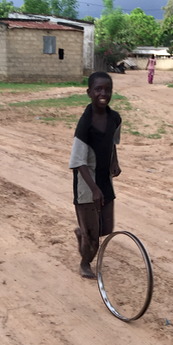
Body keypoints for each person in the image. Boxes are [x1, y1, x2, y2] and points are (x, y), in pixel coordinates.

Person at [69, 71, 122, 279]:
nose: (103, 93)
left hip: (104, 180)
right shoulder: (85, 125)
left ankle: (83, 233)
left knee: (105, 227)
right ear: (89, 92)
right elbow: (77, 162)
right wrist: (94, 189)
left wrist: (115, 161)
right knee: (93, 238)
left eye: (108, 90)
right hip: (87, 185)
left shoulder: (115, 118)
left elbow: (113, 143)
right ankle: (84, 263)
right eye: (98, 89)